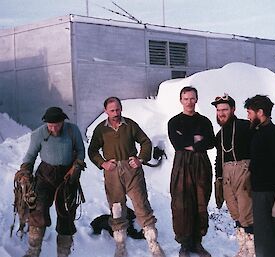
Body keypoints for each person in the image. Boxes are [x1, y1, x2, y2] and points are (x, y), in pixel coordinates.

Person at [88, 96, 165, 257]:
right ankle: (120, 247)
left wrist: (141, 159)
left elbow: (145, 142)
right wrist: (103, 163)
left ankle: (154, 245)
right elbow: (92, 151)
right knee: (117, 209)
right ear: (105, 111)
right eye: (111, 110)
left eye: (117, 109)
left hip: (132, 172)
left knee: (142, 206)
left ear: (121, 108)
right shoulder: (101, 129)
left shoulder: (129, 125)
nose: (115, 113)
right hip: (113, 172)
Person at [17, 107, 86, 257]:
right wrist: (25, 169)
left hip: (67, 178)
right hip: (45, 176)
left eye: (56, 124)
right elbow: (30, 155)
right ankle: (33, 252)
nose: (53, 128)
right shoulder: (38, 134)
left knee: (66, 216)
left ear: (63, 121)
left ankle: (63, 254)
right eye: (50, 125)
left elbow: (81, 150)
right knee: (37, 211)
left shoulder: (72, 130)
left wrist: (77, 165)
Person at [244, 95, 275, 257]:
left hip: (270, 194)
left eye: (250, 112)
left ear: (260, 112)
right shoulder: (259, 132)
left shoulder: (273, 134)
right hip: (260, 193)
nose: (248, 116)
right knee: (272, 237)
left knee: (269, 239)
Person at [167, 86, 215, 257]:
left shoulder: (204, 121)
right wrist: (196, 139)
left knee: (201, 201)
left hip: (201, 164)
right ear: (181, 100)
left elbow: (210, 142)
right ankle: (185, 244)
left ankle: (197, 242)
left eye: (192, 98)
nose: (189, 102)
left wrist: (191, 142)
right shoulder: (174, 122)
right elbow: (177, 143)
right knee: (182, 203)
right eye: (186, 99)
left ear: (197, 99)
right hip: (182, 164)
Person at [211, 94, 255, 257]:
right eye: (218, 110)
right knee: (235, 213)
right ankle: (242, 248)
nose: (221, 113)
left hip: (244, 171)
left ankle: (252, 250)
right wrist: (219, 178)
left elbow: (257, 151)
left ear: (233, 110)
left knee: (247, 213)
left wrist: (254, 173)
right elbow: (218, 158)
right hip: (227, 176)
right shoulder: (219, 135)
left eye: (224, 109)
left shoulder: (246, 127)